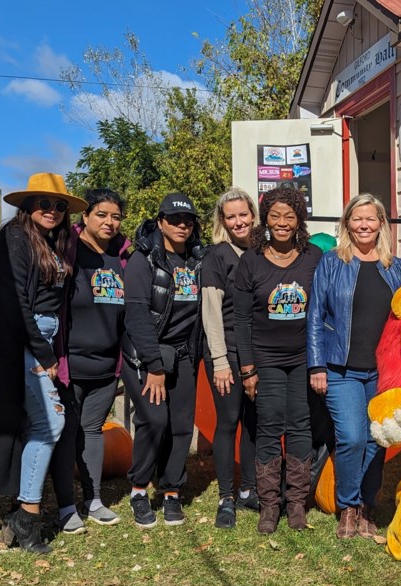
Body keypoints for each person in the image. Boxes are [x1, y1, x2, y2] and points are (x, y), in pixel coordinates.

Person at [0, 172, 87, 553]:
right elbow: (16, 303)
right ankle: (26, 515)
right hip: (23, 341)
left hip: (42, 337)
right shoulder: (15, 237)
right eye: (44, 203)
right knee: (51, 421)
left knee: (33, 424)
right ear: (28, 206)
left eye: (60, 205)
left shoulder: (50, 241)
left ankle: (20, 508)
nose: (53, 211)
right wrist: (43, 356)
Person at [307, 194, 401, 539]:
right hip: (341, 369)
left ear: (381, 223)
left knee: (376, 440)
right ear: (347, 224)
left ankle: (367, 504)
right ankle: (347, 506)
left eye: (371, 218)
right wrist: (316, 365)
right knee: (351, 437)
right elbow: (316, 315)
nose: (363, 225)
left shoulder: (396, 267)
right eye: (356, 219)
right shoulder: (332, 262)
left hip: (382, 371)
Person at [233, 187, 323, 534]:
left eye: (290, 216)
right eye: (275, 216)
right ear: (265, 220)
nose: (282, 223)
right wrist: (248, 368)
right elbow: (241, 319)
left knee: (301, 425)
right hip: (265, 359)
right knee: (269, 426)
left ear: (299, 219)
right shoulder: (251, 260)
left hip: (304, 356)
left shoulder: (313, 256)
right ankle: (269, 506)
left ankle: (296, 503)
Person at [120, 193, 205, 529]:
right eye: (174, 220)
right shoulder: (144, 260)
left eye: (187, 221)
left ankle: (171, 491)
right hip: (146, 353)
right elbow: (137, 315)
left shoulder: (198, 260)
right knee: (154, 421)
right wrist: (154, 366)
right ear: (160, 223)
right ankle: (140, 489)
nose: (182, 226)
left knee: (182, 426)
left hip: (184, 354)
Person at [49, 188, 131, 534]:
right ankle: (67, 506)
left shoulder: (123, 257)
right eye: (102, 214)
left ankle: (93, 499)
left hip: (106, 365)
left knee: (93, 430)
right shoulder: (69, 251)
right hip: (70, 363)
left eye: (115, 216)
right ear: (86, 217)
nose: (109, 222)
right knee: (67, 433)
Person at [200, 187, 261, 529]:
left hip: (257, 353)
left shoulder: (262, 252)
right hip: (228, 352)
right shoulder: (217, 256)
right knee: (228, 422)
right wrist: (220, 360)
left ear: (253, 214)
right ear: (223, 221)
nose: (239, 221)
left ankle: (249, 490)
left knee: (253, 422)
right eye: (231, 216)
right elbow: (211, 312)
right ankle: (226, 497)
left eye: (243, 214)